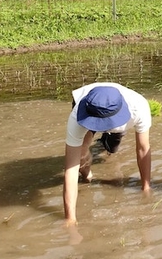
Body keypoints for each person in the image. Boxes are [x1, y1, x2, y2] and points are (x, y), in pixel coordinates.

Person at [63, 82, 152, 225]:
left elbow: (143, 149)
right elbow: (70, 169)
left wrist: (145, 187)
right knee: (80, 154)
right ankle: (87, 175)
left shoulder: (139, 107)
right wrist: (70, 218)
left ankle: (104, 143)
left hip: (115, 114)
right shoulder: (77, 116)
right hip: (90, 111)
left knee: (112, 149)